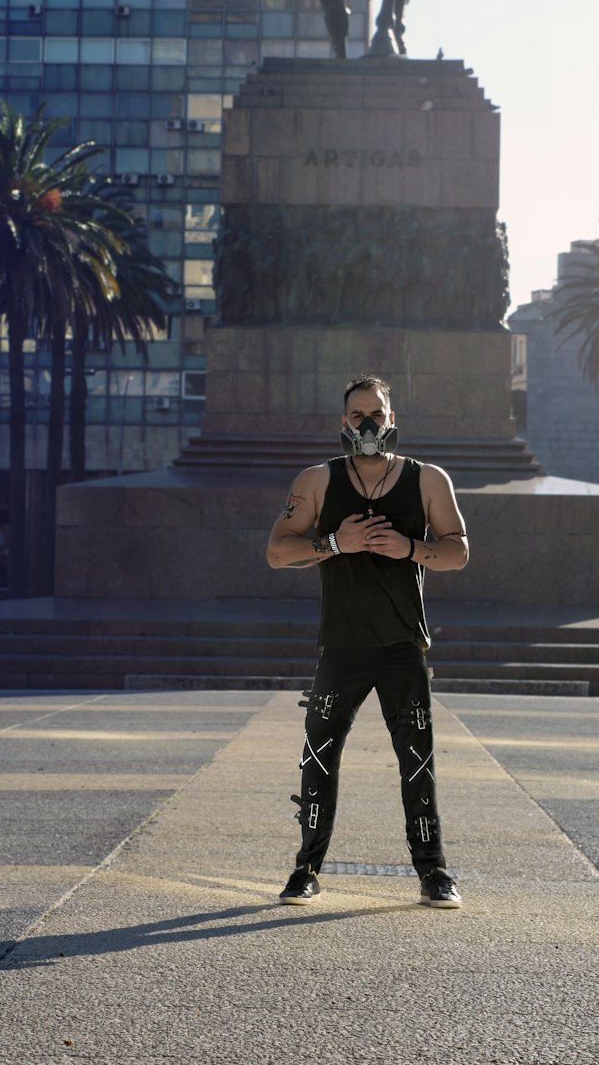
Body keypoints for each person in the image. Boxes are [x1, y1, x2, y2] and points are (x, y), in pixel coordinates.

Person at [266, 373, 469, 908]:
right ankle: (306, 869)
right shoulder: (317, 480)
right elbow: (277, 552)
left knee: (417, 760)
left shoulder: (427, 479)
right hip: (343, 645)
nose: (368, 424)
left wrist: (408, 547)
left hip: (403, 644)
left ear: (392, 418)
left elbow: (458, 552)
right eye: (358, 415)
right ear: (344, 422)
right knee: (319, 757)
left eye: (376, 413)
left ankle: (434, 873)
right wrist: (336, 542)